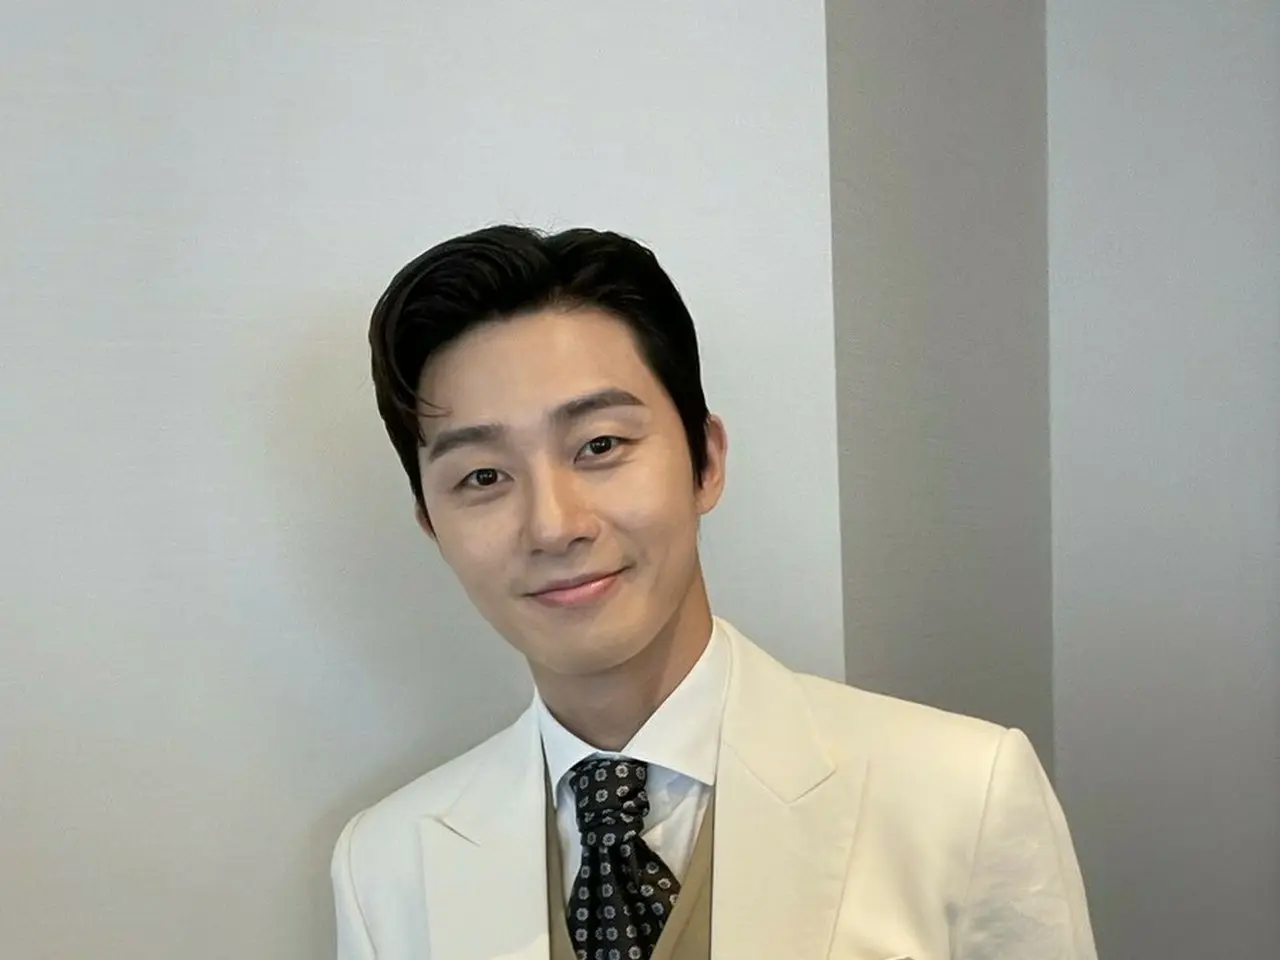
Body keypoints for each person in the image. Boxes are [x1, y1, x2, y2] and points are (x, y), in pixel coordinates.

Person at [330, 225, 1097, 960]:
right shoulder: (385, 867)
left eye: (600, 445)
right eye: (482, 477)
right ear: (432, 524)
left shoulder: (962, 794)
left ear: (706, 462)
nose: (554, 526)